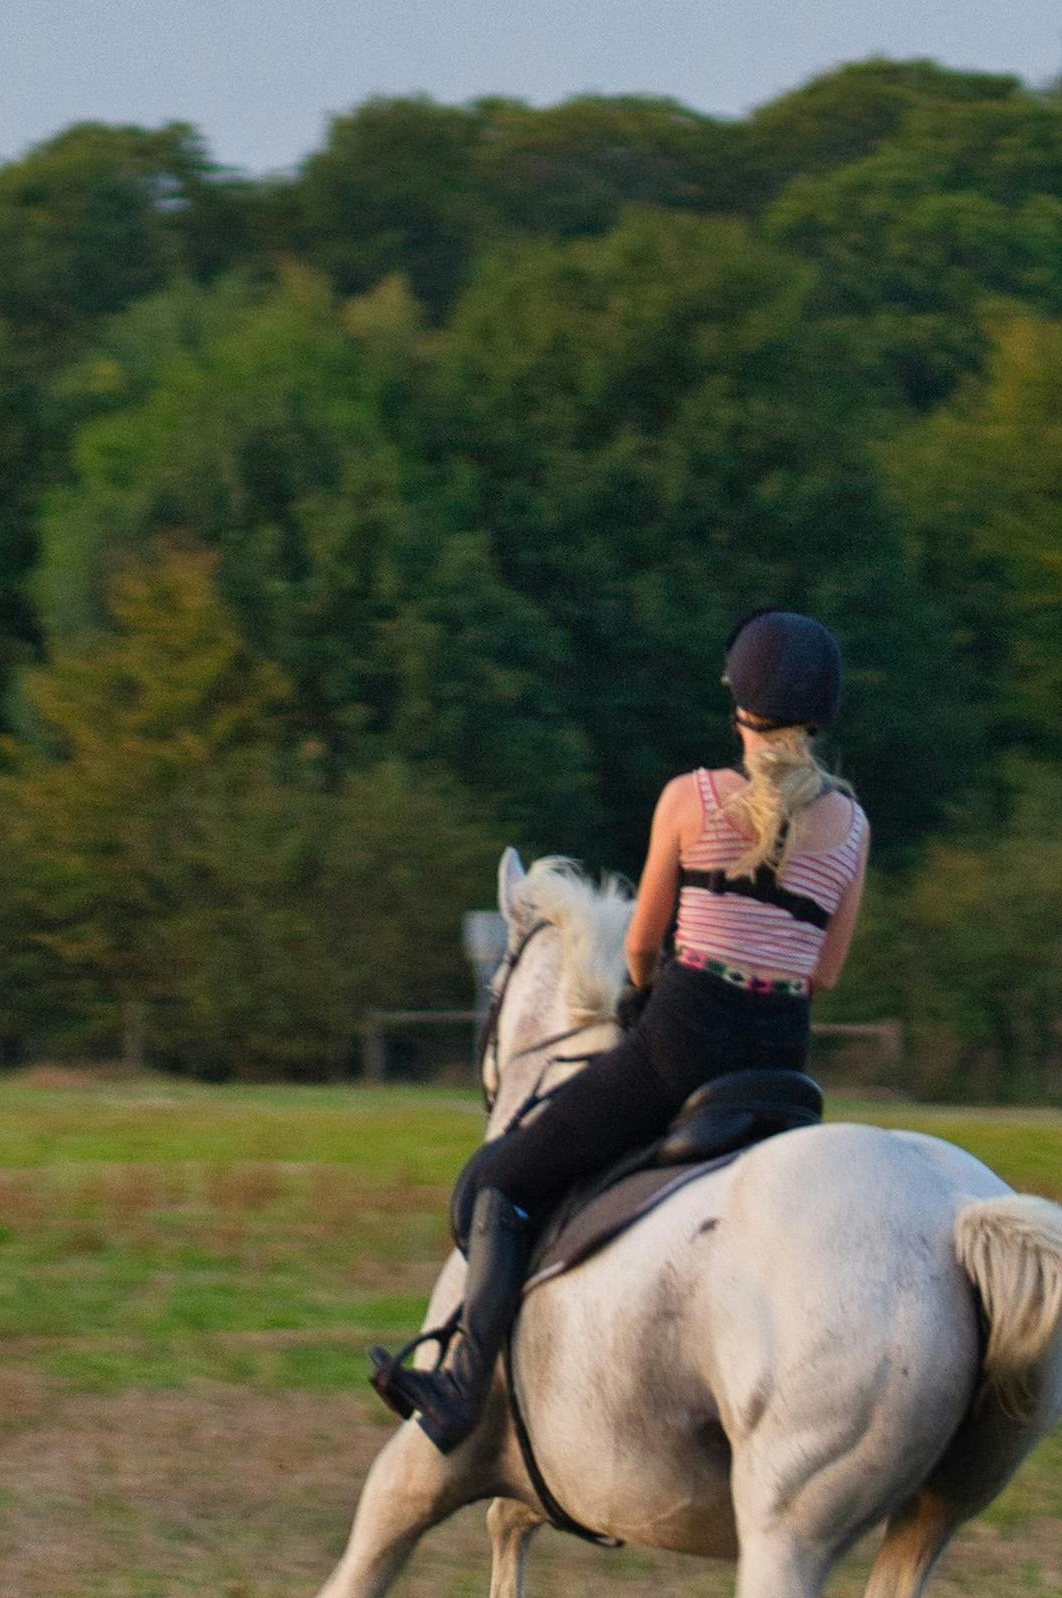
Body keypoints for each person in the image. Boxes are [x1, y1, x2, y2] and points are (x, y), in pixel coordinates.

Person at [367, 607, 871, 1453]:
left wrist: (644, 995)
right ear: (820, 716)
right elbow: (823, 973)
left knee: (504, 1174)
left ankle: (458, 1391)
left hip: (683, 1046)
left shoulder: (692, 798)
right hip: (782, 1064)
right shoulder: (853, 830)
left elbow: (642, 941)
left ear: (738, 707)